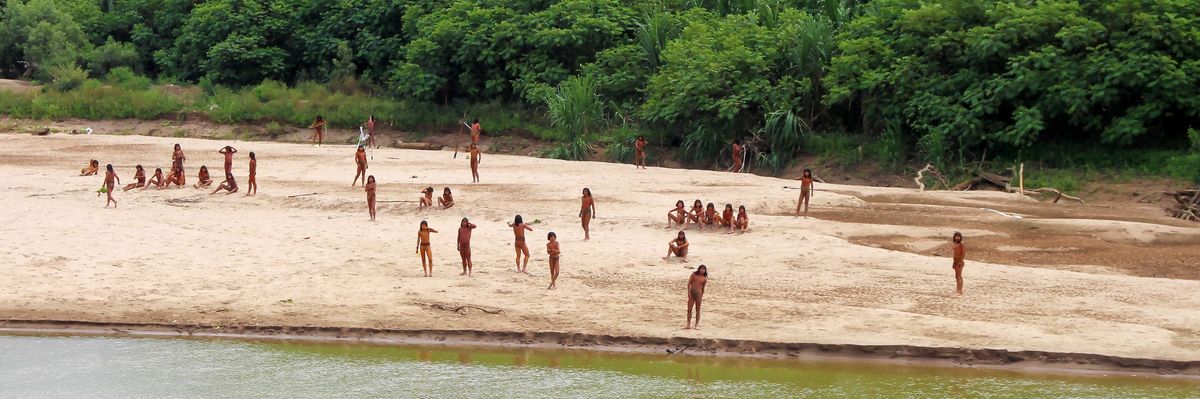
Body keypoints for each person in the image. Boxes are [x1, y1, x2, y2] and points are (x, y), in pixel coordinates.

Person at [685, 265, 708, 330]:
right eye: (701, 269)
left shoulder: (704, 278)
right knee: (689, 309)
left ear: (705, 270)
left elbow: (703, 288)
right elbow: (689, 283)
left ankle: (696, 325)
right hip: (692, 293)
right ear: (699, 269)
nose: (702, 270)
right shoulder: (694, 275)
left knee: (698, 310)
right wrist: (688, 292)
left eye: (704, 269)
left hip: (698, 294)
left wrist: (701, 296)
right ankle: (688, 324)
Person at [952, 232, 965, 296]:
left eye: (958, 236)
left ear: (960, 237)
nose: (957, 238)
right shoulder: (954, 243)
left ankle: (960, 290)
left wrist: (960, 261)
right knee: (957, 276)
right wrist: (954, 262)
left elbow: (963, 253)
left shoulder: (961, 244)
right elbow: (954, 254)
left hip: (960, 262)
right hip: (955, 261)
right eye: (956, 236)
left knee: (959, 276)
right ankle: (958, 289)